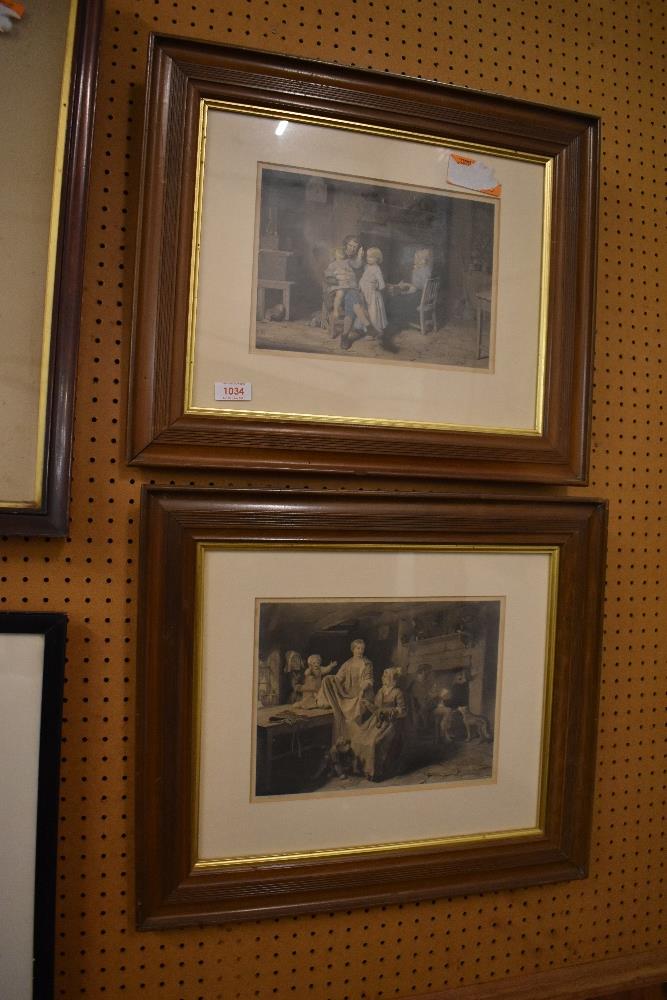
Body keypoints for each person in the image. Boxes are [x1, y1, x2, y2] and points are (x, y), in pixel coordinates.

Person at [350, 667, 407, 782]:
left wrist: (391, 711)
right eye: (383, 676)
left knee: (374, 742)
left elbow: (403, 711)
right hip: (376, 721)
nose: (383, 678)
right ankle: (360, 769)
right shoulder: (381, 691)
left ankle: (374, 772)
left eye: (386, 676)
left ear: (392, 679)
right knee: (358, 738)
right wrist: (367, 704)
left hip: (390, 723)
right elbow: (376, 709)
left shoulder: (397, 692)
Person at [319, 638, 374, 743]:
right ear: (353, 649)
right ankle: (343, 743)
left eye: (362, 649)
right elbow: (339, 678)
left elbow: (369, 679)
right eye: (358, 648)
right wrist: (331, 679)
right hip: (347, 696)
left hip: (361, 696)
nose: (360, 651)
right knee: (344, 720)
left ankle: (355, 744)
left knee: (355, 721)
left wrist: (364, 687)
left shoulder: (367, 664)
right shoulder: (347, 664)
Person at [387, 247, 433, 330]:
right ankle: (400, 320)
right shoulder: (426, 269)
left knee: (397, 299)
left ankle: (399, 322)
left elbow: (419, 286)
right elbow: (419, 285)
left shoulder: (421, 270)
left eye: (416, 258)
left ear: (422, 260)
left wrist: (407, 284)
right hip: (424, 296)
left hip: (421, 297)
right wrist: (407, 286)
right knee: (401, 295)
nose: (414, 260)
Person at [359, 247, 388, 335]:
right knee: (365, 311)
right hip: (364, 293)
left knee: (373, 314)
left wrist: (376, 286)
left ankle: (376, 331)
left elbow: (382, 285)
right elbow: (364, 278)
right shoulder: (367, 266)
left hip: (372, 295)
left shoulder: (376, 269)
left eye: (371, 257)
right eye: (367, 256)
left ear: (377, 259)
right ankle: (368, 330)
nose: (368, 258)